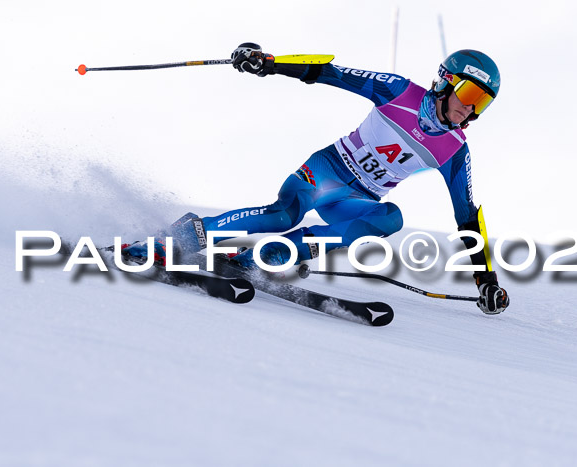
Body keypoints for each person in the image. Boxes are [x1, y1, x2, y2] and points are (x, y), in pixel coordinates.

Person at [124, 42, 510, 315]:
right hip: (326, 171)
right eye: (470, 93)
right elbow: (329, 72)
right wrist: (270, 62)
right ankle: (181, 235)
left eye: (483, 103)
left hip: (354, 199)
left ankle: (270, 255)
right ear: (445, 80)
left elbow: (467, 219)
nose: (470, 110)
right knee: (284, 214)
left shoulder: (455, 151)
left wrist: (485, 281)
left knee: (390, 218)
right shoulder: (398, 91)